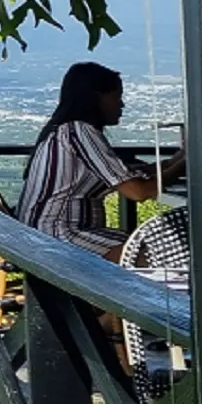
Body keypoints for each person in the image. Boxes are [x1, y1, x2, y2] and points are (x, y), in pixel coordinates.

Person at [16, 62, 185, 263]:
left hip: (42, 233)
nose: (121, 105)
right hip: (57, 235)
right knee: (156, 258)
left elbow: (130, 174)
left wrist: (178, 159)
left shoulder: (64, 131)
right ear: (98, 97)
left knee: (154, 250)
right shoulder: (79, 132)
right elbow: (138, 191)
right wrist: (184, 165)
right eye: (117, 97)